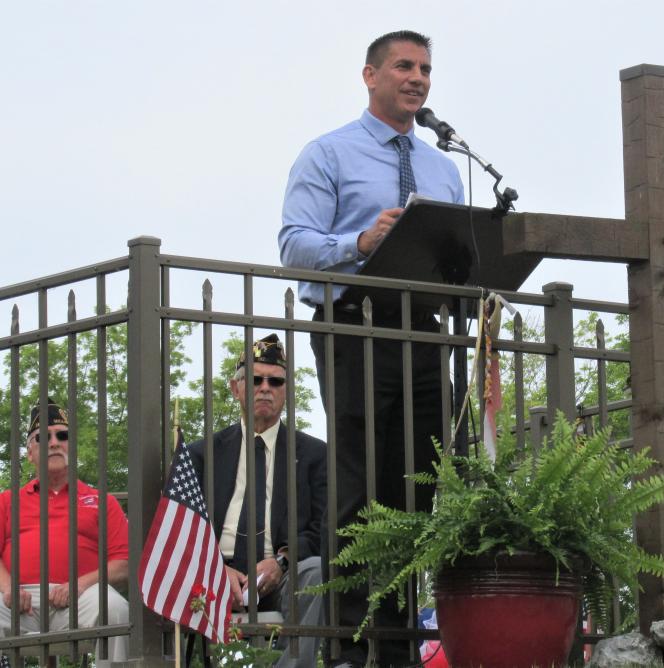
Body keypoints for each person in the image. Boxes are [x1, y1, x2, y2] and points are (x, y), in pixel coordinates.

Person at [278, 30, 464, 667]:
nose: (418, 78)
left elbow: (458, 257)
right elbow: (294, 246)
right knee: (358, 486)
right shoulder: (328, 153)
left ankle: (401, 638)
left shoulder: (445, 166)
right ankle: (351, 644)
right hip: (354, 325)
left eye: (426, 69)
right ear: (370, 75)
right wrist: (359, 243)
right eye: (405, 66)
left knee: (419, 487)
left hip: (424, 332)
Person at [186, 334, 327, 668]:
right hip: (213, 573)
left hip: (282, 573)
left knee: (318, 572)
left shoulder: (314, 455)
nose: (265, 388)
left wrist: (282, 561)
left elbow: (323, 528)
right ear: (236, 389)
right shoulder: (201, 454)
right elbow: (183, 530)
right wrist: (217, 569)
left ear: (286, 392)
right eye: (254, 379)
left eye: (275, 381)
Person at [0, 400, 129, 666]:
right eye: (42, 437)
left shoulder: (101, 500)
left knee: (116, 610)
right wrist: (8, 587)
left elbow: (123, 564)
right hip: (19, 599)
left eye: (63, 435)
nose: (54, 442)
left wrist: (80, 584)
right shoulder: (6, 501)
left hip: (81, 596)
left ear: (73, 446)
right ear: (30, 452)